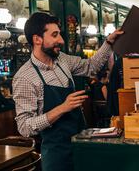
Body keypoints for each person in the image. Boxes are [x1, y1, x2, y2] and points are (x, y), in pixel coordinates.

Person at [12, 12, 123, 171]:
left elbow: (91, 66)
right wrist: (62, 108)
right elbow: (24, 127)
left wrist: (108, 42)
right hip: (57, 155)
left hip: (81, 145)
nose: (61, 40)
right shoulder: (24, 77)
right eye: (55, 35)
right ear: (37, 39)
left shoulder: (62, 60)